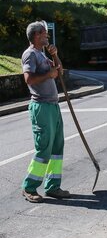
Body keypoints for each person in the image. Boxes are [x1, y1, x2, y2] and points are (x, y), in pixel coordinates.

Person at [21, 21, 71, 203]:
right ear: (36, 35)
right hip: (41, 107)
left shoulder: (42, 54)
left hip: (53, 106)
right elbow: (28, 79)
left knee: (57, 147)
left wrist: (55, 56)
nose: (47, 36)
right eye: (44, 33)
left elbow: (59, 72)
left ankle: (53, 186)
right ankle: (29, 187)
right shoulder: (30, 55)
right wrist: (48, 75)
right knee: (44, 149)